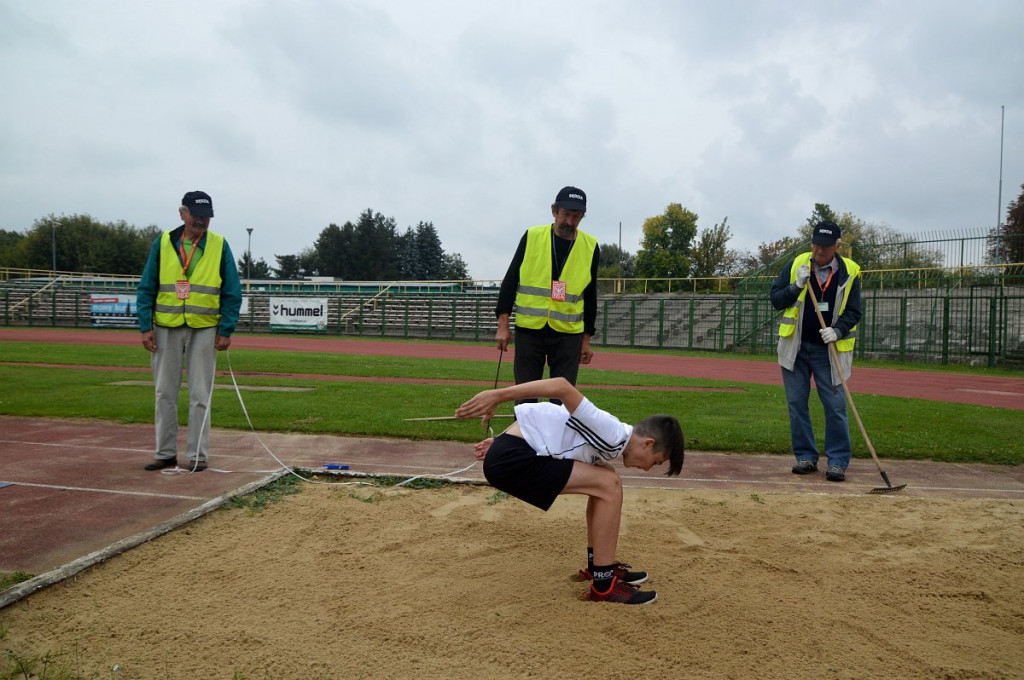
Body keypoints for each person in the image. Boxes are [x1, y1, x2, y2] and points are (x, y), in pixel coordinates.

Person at [455, 377, 685, 605]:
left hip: (512, 453)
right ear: (647, 443)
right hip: (511, 460)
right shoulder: (612, 432)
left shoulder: (612, 441)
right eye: (655, 462)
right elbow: (562, 386)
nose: (647, 469)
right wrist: (496, 396)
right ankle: (604, 586)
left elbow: (555, 417)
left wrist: (502, 440)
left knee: (606, 478)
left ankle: (599, 569)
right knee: (609, 485)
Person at [136, 190, 242, 472]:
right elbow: (147, 286)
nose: (201, 221)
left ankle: (198, 456)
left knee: (200, 394)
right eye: (196, 214)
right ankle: (165, 452)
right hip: (165, 327)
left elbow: (233, 290)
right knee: (164, 393)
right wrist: (145, 326)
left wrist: (226, 329)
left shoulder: (220, 245)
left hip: (205, 328)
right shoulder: (163, 243)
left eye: (206, 216)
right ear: (182, 213)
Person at [770, 221, 862, 483]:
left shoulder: (851, 271)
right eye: (816, 245)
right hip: (795, 348)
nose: (819, 251)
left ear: (837, 246)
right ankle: (805, 457)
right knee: (797, 404)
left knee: (835, 407)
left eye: (826, 247)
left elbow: (854, 311)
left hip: (829, 351)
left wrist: (838, 330)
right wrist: (796, 286)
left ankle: (838, 461)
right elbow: (776, 299)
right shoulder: (798, 263)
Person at [494, 186, 600, 403]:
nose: (570, 222)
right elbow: (511, 280)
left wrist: (586, 339)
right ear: (554, 210)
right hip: (530, 329)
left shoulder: (591, 246)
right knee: (525, 395)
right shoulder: (532, 236)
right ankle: (522, 437)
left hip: (568, 334)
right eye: (566, 214)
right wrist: (502, 325)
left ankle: (556, 437)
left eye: (576, 217)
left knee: (562, 399)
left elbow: (590, 296)